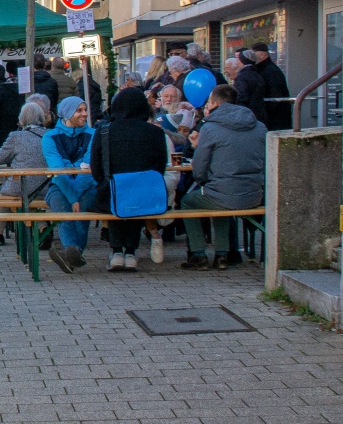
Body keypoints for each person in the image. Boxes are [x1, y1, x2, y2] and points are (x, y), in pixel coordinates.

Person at [182, 85, 267, 270]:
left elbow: (200, 169)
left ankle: (198, 255)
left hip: (222, 194)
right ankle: (222, 255)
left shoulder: (210, 128)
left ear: (215, 103)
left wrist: (203, 178)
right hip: (254, 195)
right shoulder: (259, 126)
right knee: (217, 196)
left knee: (188, 201)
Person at [89, 88, 173, 271]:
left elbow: (96, 168)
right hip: (145, 195)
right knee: (136, 193)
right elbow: (160, 167)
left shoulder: (104, 131)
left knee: (118, 195)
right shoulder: (155, 133)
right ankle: (130, 252)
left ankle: (117, 251)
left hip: (110, 194)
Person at [43, 96, 96, 274]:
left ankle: (70, 255)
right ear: (67, 113)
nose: (84, 114)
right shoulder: (50, 137)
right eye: (79, 110)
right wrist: (73, 197)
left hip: (87, 185)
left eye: (85, 110)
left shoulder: (93, 135)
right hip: (59, 185)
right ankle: (73, 252)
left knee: (82, 214)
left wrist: (77, 196)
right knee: (63, 212)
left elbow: (89, 169)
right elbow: (58, 170)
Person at [0, 102, 48, 245]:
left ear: (21, 118)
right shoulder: (50, 135)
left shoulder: (16, 136)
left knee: (6, 194)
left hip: (19, 187)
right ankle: (43, 228)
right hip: (45, 187)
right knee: (31, 195)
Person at [251, 43, 292, 131]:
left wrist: (263, 113)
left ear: (262, 55)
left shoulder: (271, 71)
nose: (252, 57)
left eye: (254, 54)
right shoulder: (265, 69)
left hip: (276, 120)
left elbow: (275, 96)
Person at [0, 61, 24, 148]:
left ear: (8, 73)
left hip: (2, 126)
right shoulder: (24, 87)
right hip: (20, 124)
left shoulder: (2, 88)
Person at [224, 54, 267, 125]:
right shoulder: (257, 75)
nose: (225, 71)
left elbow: (241, 98)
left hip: (247, 118)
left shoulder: (241, 78)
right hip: (259, 116)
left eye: (227, 68)